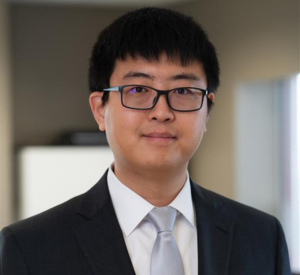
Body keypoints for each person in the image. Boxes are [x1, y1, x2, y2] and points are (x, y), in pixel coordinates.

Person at [0, 7, 291, 275]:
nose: (162, 112)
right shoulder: (30, 247)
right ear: (100, 109)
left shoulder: (262, 235)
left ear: (207, 111)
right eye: (138, 88)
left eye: (183, 91)